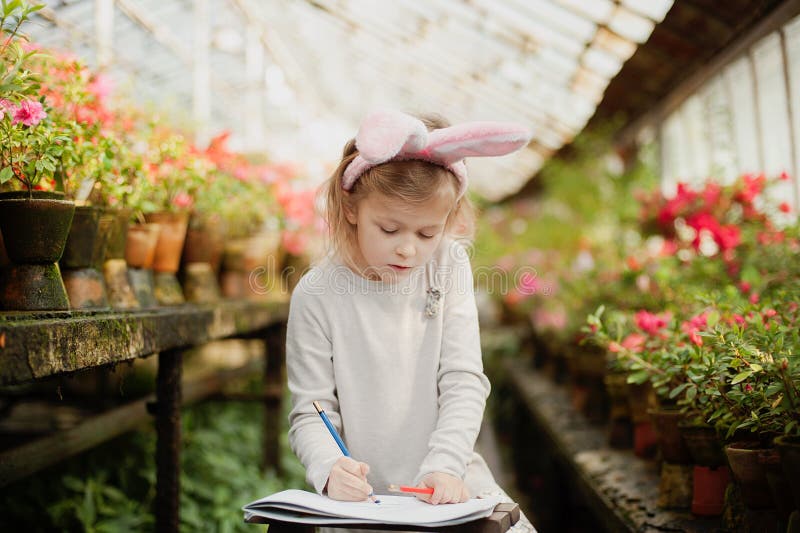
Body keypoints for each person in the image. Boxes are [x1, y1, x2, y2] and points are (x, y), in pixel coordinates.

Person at [286, 109, 536, 532]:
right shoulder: (317, 294)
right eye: (389, 229)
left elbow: (463, 380)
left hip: (452, 486)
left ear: (450, 219)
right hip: (362, 502)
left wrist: (444, 466)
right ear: (351, 209)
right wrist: (329, 467)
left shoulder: (448, 264)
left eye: (426, 233)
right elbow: (312, 410)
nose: (408, 250)